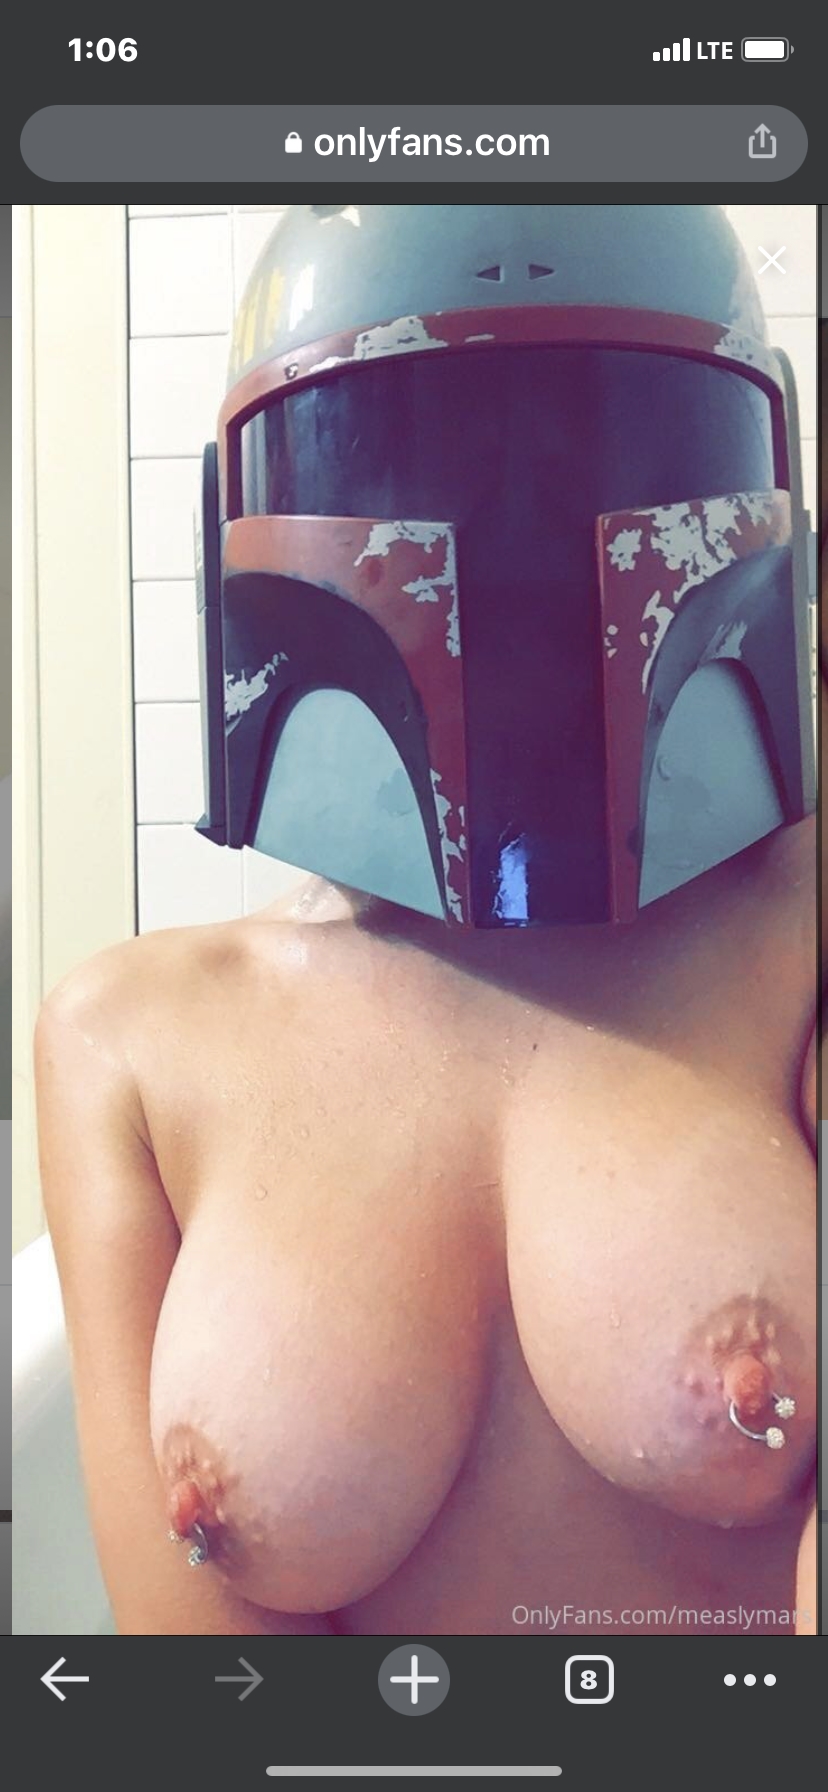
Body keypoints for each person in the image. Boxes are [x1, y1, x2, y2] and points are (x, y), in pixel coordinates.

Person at [35, 205, 817, 1636]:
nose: (515, 549)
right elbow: (198, 1688)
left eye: (585, 443)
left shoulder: (801, 930)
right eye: (408, 454)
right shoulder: (129, 1040)